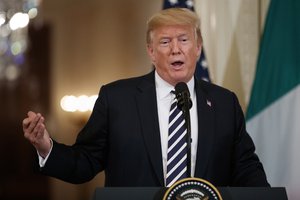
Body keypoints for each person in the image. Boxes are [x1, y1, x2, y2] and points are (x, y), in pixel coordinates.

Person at [22, 8, 269, 187]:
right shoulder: (116, 99)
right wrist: (46, 146)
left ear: (198, 48)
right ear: (151, 52)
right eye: (165, 42)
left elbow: (245, 168)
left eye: (184, 40)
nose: (176, 49)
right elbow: (84, 162)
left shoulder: (224, 103)